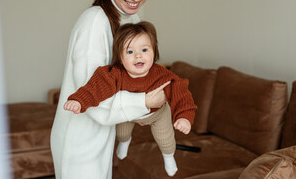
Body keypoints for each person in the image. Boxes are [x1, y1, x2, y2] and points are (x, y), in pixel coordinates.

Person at [50, 0, 169, 179]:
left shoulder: (129, 18)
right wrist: (143, 102)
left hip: (101, 135)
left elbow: (121, 81)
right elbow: (92, 95)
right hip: (80, 140)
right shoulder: (95, 22)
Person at [64, 21, 197, 177]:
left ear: (154, 52)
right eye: (130, 52)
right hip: (128, 113)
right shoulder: (115, 74)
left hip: (157, 113)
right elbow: (95, 88)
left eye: (144, 50)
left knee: (165, 137)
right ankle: (124, 143)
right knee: (121, 132)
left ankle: (169, 157)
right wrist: (79, 100)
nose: (138, 55)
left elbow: (181, 93)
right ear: (120, 57)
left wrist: (184, 117)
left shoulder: (163, 75)